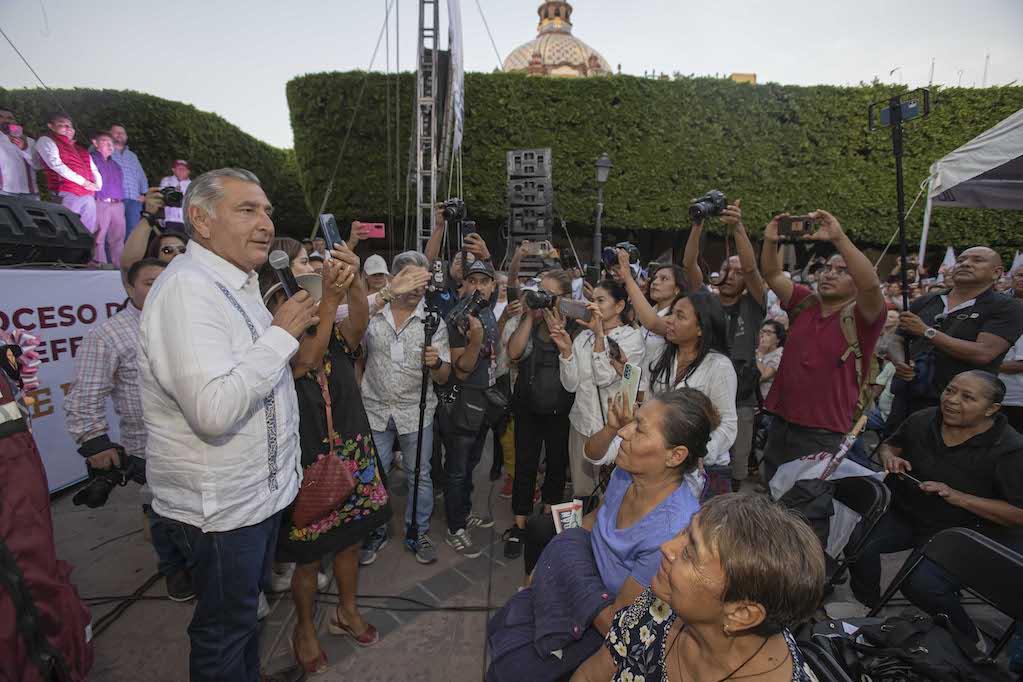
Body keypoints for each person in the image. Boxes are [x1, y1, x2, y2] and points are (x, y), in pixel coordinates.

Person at [138, 168, 318, 682]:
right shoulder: (188, 292)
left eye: (266, 211)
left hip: (253, 500)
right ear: (200, 219)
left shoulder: (234, 283)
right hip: (220, 511)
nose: (265, 222)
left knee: (243, 618)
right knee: (224, 630)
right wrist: (280, 335)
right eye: (247, 210)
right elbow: (213, 410)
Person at [487, 388, 714, 681]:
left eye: (640, 429)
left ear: (675, 456)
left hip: (599, 627)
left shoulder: (671, 536)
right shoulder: (627, 472)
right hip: (580, 583)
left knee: (514, 669)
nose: (624, 432)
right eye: (633, 421)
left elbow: (615, 624)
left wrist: (565, 565)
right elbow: (592, 521)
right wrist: (551, 563)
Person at [257, 236, 388, 672]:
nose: (311, 268)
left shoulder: (332, 328)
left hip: (353, 450)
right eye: (300, 264)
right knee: (309, 559)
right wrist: (330, 300)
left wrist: (352, 285)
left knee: (350, 542)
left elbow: (358, 325)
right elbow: (307, 361)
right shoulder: (277, 340)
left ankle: (346, 612)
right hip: (309, 460)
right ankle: (303, 630)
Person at [849, 370, 1023, 643]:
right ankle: (868, 608)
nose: (952, 400)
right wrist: (890, 458)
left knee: (921, 585)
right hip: (911, 514)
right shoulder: (924, 418)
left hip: (963, 532)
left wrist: (959, 497)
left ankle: (968, 639)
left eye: (967, 397)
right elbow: (890, 446)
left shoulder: (1011, 450)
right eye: (950, 390)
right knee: (859, 545)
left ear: (992, 409)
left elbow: (1017, 514)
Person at [572, 493, 824, 682]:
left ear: (741, 614)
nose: (667, 547)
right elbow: (592, 674)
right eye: (684, 531)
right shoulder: (660, 604)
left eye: (691, 553)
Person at [63, 259, 194, 598]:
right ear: (128, 287)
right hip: (148, 448)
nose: (159, 288)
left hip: (196, 439)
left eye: (165, 281)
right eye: (151, 282)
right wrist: (95, 442)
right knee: (162, 515)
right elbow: (85, 394)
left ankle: (200, 566)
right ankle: (174, 571)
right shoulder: (108, 334)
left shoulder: (188, 321)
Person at [759, 210, 886, 483]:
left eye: (842, 271)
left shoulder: (864, 317)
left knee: (806, 507)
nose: (830, 274)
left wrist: (838, 238)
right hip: (780, 422)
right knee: (771, 496)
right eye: (827, 268)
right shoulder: (804, 302)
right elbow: (770, 273)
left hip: (823, 431)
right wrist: (770, 240)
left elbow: (872, 285)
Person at [359, 250, 452, 566]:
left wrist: (436, 362)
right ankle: (375, 531)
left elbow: (444, 376)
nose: (417, 288)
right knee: (373, 474)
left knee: (420, 475)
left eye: (423, 282)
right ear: (394, 279)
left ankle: (417, 532)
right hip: (373, 409)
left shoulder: (433, 320)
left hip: (416, 412)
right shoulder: (372, 312)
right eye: (411, 280)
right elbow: (353, 353)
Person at [682, 201, 766, 490]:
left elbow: (754, 269)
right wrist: (697, 223)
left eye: (738, 272)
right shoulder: (707, 302)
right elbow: (689, 265)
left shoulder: (753, 305)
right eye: (726, 270)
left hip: (741, 399)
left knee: (736, 465)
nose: (732, 276)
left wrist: (737, 227)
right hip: (704, 394)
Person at [890, 247, 1023, 430]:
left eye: (977, 260)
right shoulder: (927, 301)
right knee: (892, 452)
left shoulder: (1007, 308)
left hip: (961, 407)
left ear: (997, 272)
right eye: (961, 260)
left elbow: (983, 353)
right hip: (909, 398)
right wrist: (900, 361)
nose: (966, 264)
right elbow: (896, 339)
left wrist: (927, 332)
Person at [503, 268, 578, 559]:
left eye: (549, 294)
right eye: (539, 291)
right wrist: (528, 316)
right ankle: (520, 524)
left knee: (557, 465)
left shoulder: (577, 329)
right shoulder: (529, 323)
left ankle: (547, 520)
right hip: (528, 407)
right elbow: (513, 352)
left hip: (562, 410)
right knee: (525, 464)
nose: (542, 297)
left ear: (565, 298)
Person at [552, 279, 646, 498]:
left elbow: (603, 377)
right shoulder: (583, 336)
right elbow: (570, 384)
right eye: (591, 300)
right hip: (580, 424)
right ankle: (583, 531)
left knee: (613, 494)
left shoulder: (632, 338)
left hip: (613, 428)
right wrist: (566, 351)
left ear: (619, 306)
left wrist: (600, 336)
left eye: (601, 300)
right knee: (583, 492)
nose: (593, 305)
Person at [438, 257, 502, 558]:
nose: (477, 287)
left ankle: (463, 511)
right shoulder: (458, 317)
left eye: (483, 281)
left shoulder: (487, 309)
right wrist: (475, 339)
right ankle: (455, 527)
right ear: (463, 284)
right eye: (472, 281)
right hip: (462, 399)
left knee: (472, 462)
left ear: (492, 286)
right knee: (458, 468)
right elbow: (462, 368)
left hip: (484, 398)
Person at [642, 289, 738, 486]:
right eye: (671, 313)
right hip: (663, 463)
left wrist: (699, 454)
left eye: (680, 316)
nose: (669, 320)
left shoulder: (718, 366)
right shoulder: (661, 356)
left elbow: (728, 424)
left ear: (700, 328)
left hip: (705, 470)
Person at [34, 112, 101, 235]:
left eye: (70, 125)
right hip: (66, 191)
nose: (68, 128)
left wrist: (97, 185)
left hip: (88, 193)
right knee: (67, 230)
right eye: (62, 124)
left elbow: (94, 169)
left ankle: (84, 253)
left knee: (88, 232)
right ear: (51, 126)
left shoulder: (81, 149)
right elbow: (55, 165)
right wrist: (84, 182)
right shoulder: (46, 141)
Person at [89, 132, 127, 266]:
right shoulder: (91, 160)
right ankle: (99, 265)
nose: (110, 146)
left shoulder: (115, 165)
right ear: (95, 143)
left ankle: (119, 267)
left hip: (117, 204)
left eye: (111, 144)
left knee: (118, 238)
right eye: (105, 142)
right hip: (100, 202)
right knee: (98, 236)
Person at [108, 124, 150, 234]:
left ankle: (127, 252)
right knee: (113, 233)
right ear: (109, 134)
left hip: (134, 201)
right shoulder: (105, 151)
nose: (120, 134)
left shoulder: (132, 156)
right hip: (115, 199)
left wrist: (144, 194)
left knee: (132, 233)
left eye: (122, 133)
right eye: (116, 132)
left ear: (126, 137)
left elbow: (141, 175)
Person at [0, 106, 40, 198]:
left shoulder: (29, 141)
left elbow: (38, 165)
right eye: (1, 117)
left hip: (30, 192)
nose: (5, 120)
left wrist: (24, 148)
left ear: (15, 121)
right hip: (3, 191)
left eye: (9, 118)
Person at [756, 320, 785, 400]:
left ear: (778, 339)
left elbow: (762, 376)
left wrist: (760, 355)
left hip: (766, 403)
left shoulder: (779, 356)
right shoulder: (756, 351)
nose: (763, 336)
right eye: (762, 332)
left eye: (768, 333)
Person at [159, 159, 192, 231]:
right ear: (173, 170)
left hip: (187, 222)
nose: (181, 170)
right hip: (169, 219)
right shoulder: (166, 181)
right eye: (179, 168)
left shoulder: (192, 185)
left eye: (183, 169)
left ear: (188, 171)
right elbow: (161, 197)